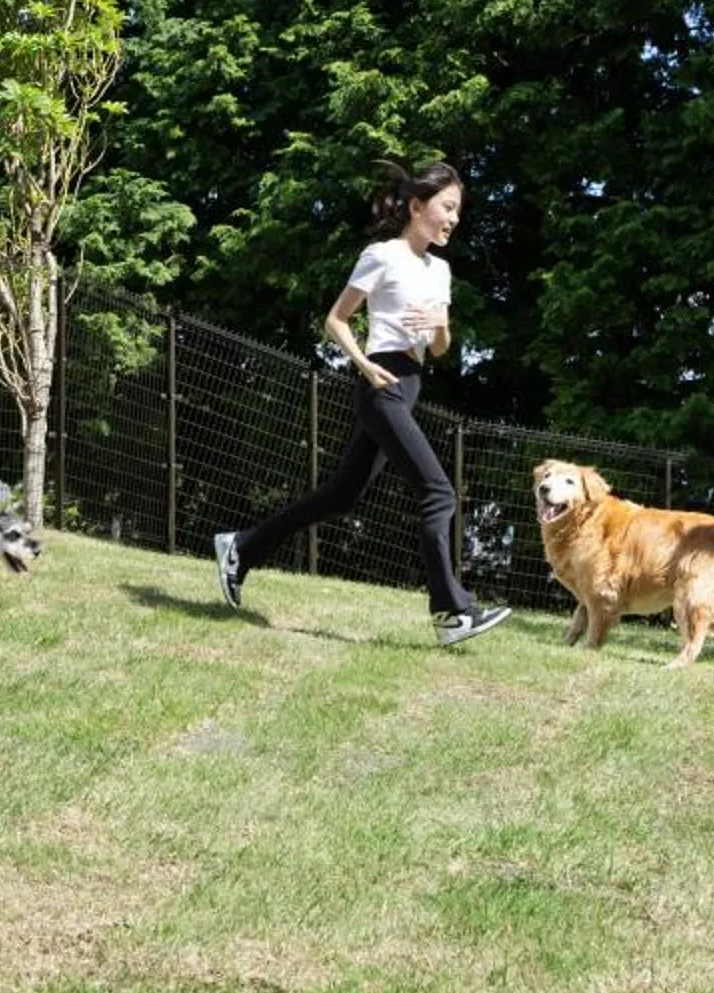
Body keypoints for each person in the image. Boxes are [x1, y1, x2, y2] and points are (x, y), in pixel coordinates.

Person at [211, 159, 511, 646]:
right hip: (381, 382)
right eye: (447, 208)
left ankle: (242, 548)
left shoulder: (441, 270)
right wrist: (363, 365)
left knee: (341, 494)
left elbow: (439, 349)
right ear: (417, 207)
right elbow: (336, 319)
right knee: (438, 492)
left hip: (410, 384)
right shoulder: (382, 256)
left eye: (458, 211)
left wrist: (439, 322)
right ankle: (452, 612)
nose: (453, 219)